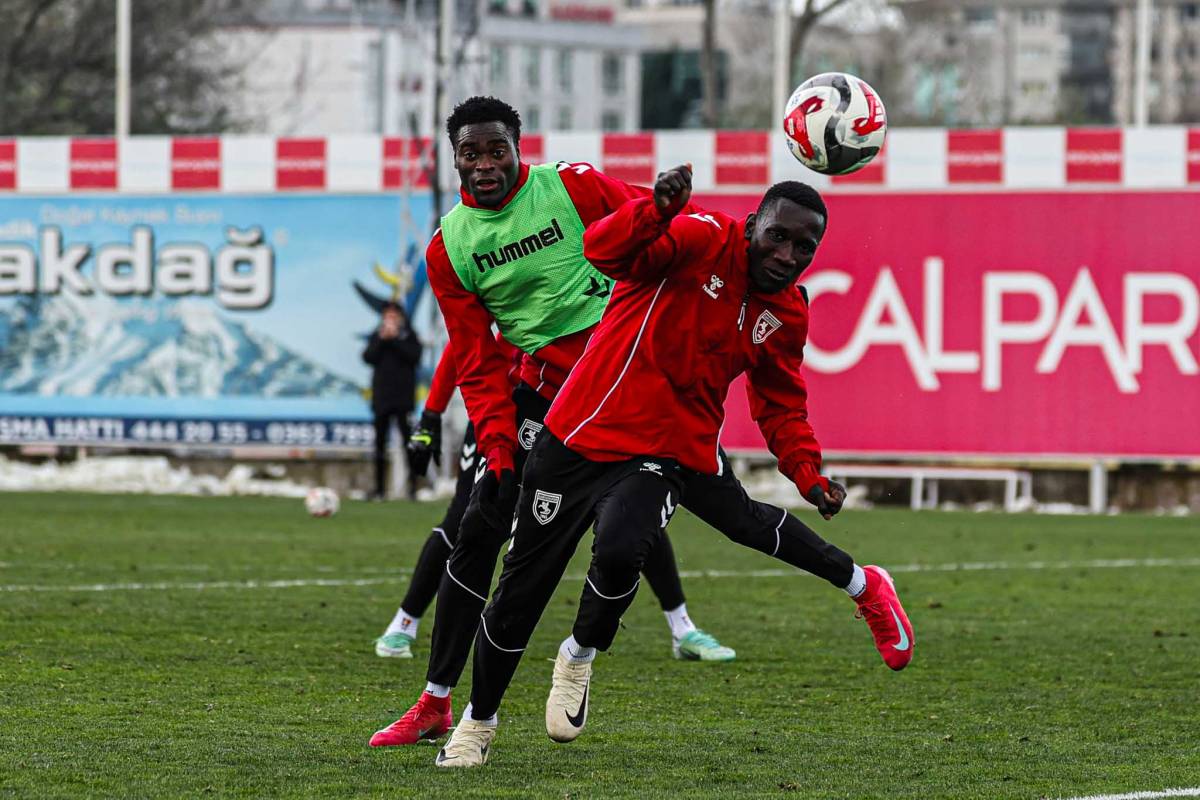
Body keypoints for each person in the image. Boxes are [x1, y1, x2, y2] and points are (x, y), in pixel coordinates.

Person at [433, 171, 915, 767]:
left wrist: (807, 472)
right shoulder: (700, 236)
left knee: (622, 547)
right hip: (578, 433)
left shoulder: (787, 312)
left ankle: (579, 653)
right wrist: (652, 213)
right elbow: (603, 251)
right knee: (519, 591)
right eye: (778, 237)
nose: (787, 255)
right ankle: (477, 728)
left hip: (666, 451)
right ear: (752, 226)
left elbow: (781, 403)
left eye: (805, 248)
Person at [369, 95, 745, 749]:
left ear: (520, 148)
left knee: (631, 527)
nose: (484, 165)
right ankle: (433, 702)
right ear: (453, 157)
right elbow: (477, 359)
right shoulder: (447, 248)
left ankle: (602, 650)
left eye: (496, 150)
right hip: (538, 399)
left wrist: (680, 215)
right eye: (470, 152)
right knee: (473, 530)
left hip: (623, 391)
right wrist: (495, 444)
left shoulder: (571, 187)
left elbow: (653, 222)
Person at [362, 302, 422, 501]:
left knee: (409, 444)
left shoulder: (409, 335)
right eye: (387, 314)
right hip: (382, 398)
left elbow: (414, 356)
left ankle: (412, 489)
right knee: (379, 444)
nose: (391, 318)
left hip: (403, 398)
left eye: (394, 314)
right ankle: (379, 489)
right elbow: (368, 357)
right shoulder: (377, 335)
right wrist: (382, 339)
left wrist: (395, 339)